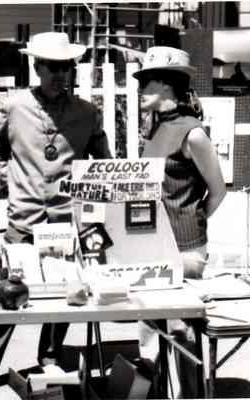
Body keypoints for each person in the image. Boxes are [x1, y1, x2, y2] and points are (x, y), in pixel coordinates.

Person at [0, 31, 112, 397]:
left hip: (66, 219)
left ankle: (49, 357)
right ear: (37, 68)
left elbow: (102, 163)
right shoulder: (15, 107)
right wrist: (11, 184)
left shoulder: (86, 112)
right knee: (9, 294)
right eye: (52, 67)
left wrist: (90, 202)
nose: (60, 74)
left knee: (65, 294)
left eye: (65, 67)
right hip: (24, 217)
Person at [133, 46, 226, 397]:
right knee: (148, 329)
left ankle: (188, 395)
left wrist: (194, 222)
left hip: (184, 250)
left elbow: (218, 190)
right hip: (150, 244)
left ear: (167, 85)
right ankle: (155, 393)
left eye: (146, 82)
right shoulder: (154, 128)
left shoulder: (193, 133)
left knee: (180, 332)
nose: (141, 90)